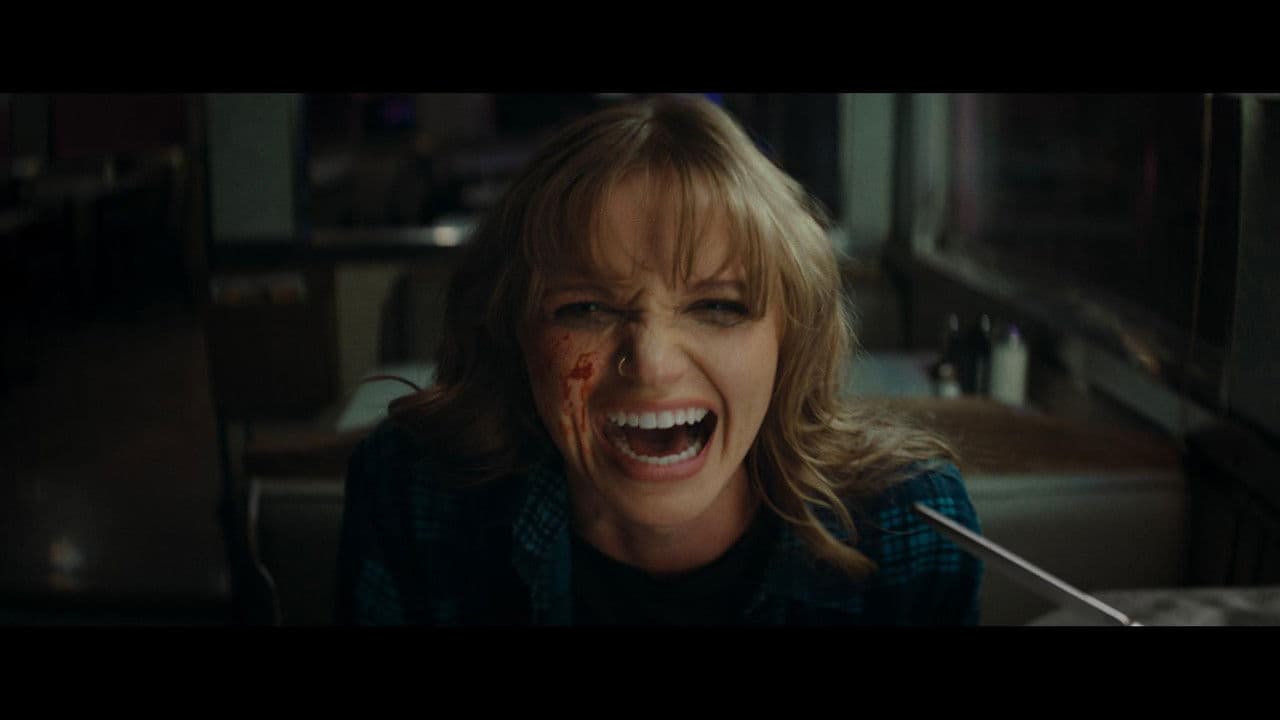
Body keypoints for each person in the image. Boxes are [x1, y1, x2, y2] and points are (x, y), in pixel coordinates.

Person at [335, 95, 983, 625]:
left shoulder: (908, 528)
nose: (650, 363)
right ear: (513, 334)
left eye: (718, 307)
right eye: (586, 308)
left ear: (790, 341)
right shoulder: (415, 494)